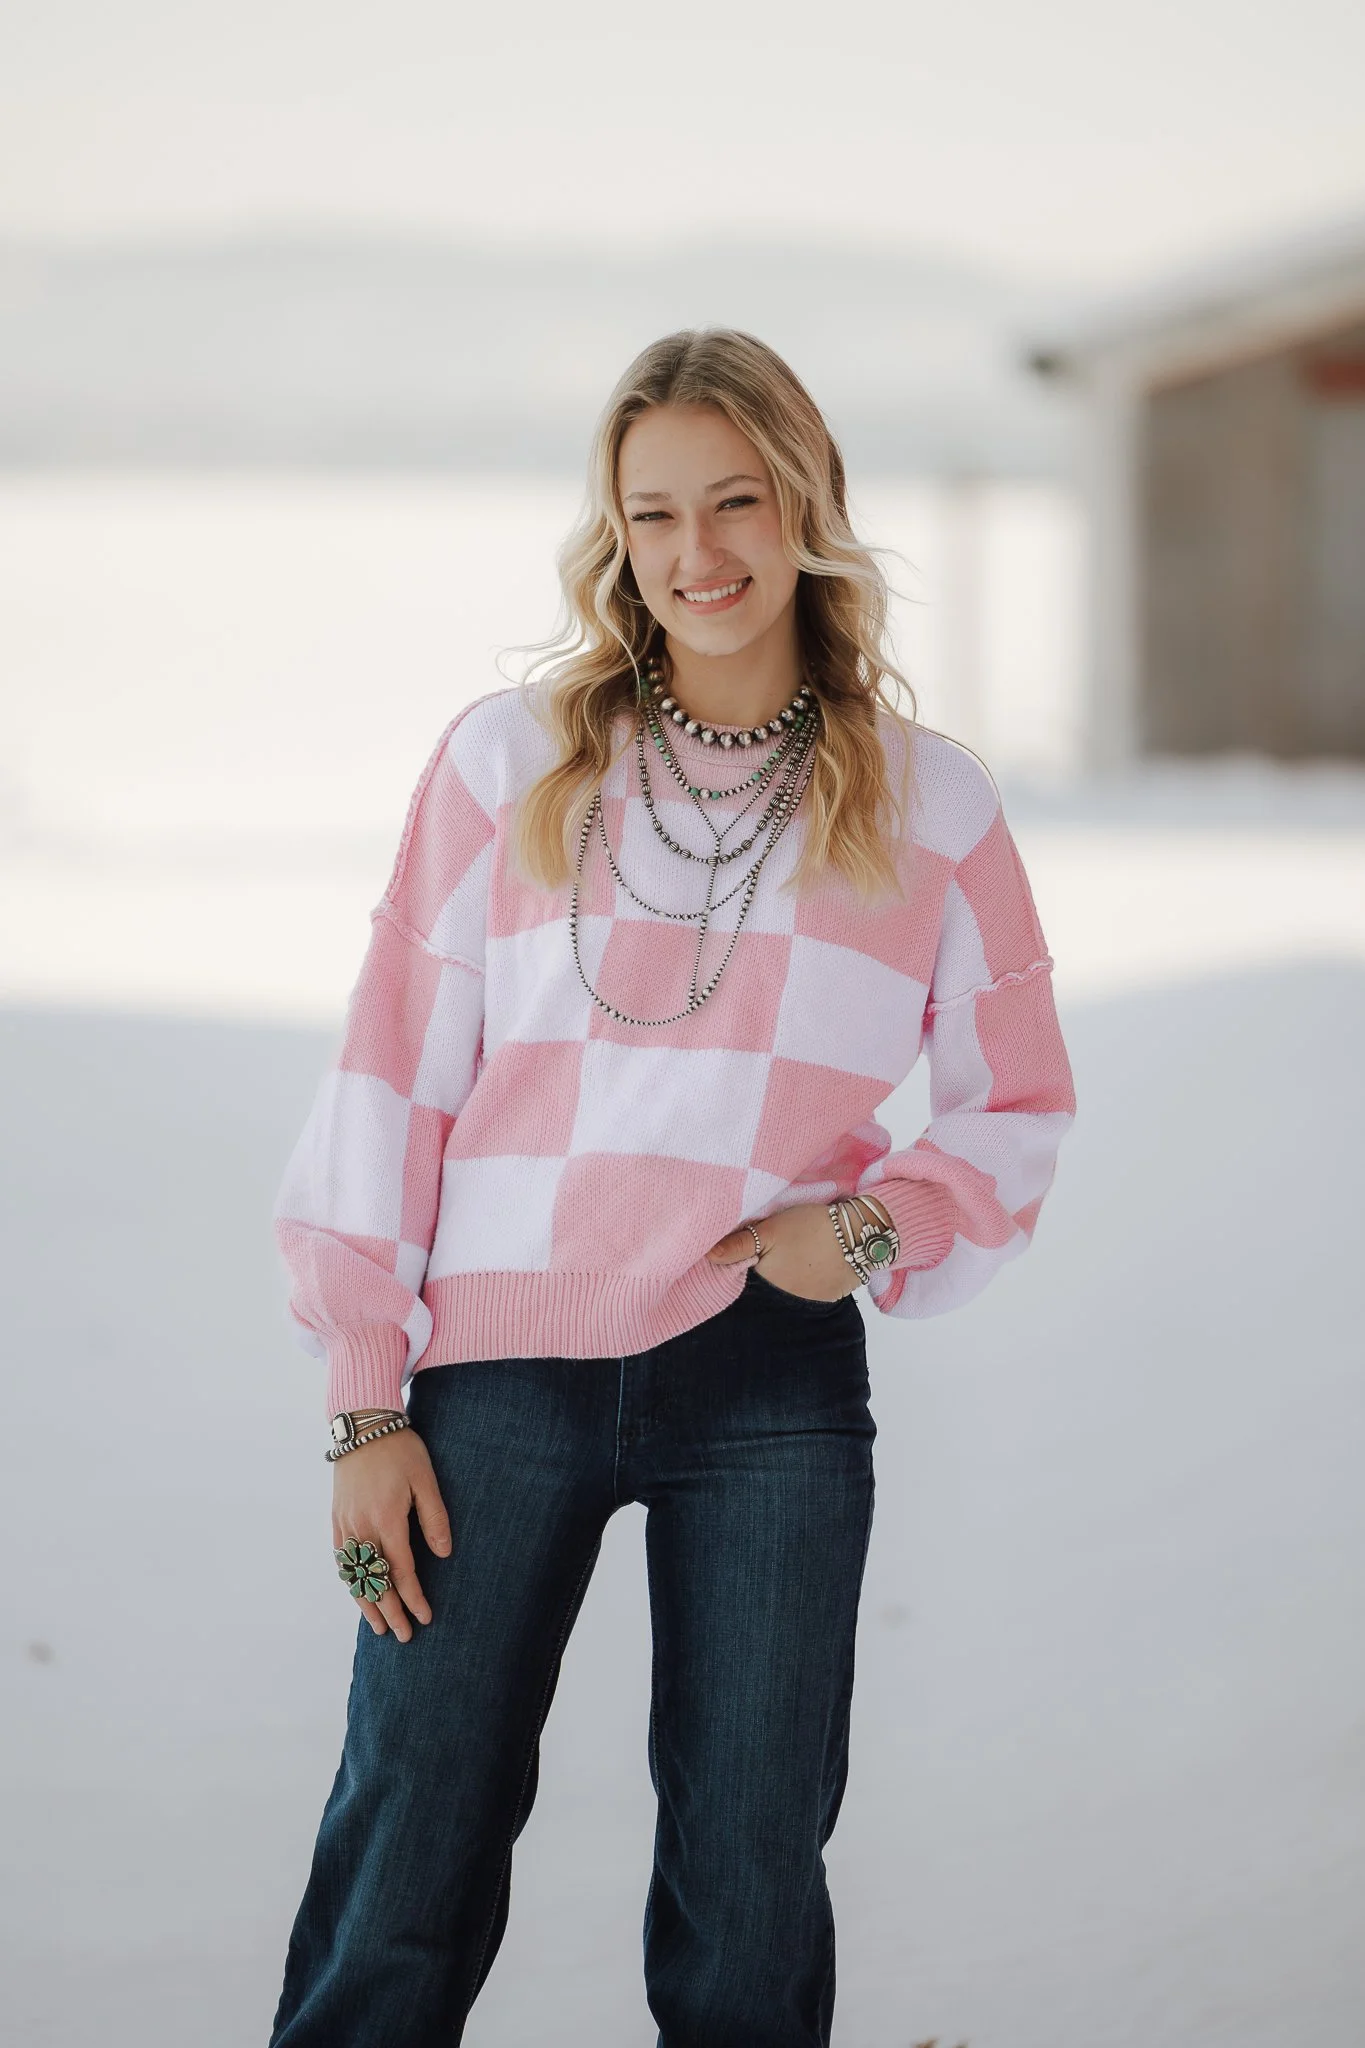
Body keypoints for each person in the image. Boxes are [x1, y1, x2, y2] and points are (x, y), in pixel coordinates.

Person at [266, 326, 1077, 2048]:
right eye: (654, 516)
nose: (698, 556)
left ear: (808, 511)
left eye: (737, 502)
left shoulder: (933, 809)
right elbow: (389, 1072)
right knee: (406, 1846)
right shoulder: (507, 762)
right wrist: (362, 1405)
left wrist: (868, 1230)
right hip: (490, 1386)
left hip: (766, 1386)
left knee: (752, 1877)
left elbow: (1017, 1108)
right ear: (613, 538)